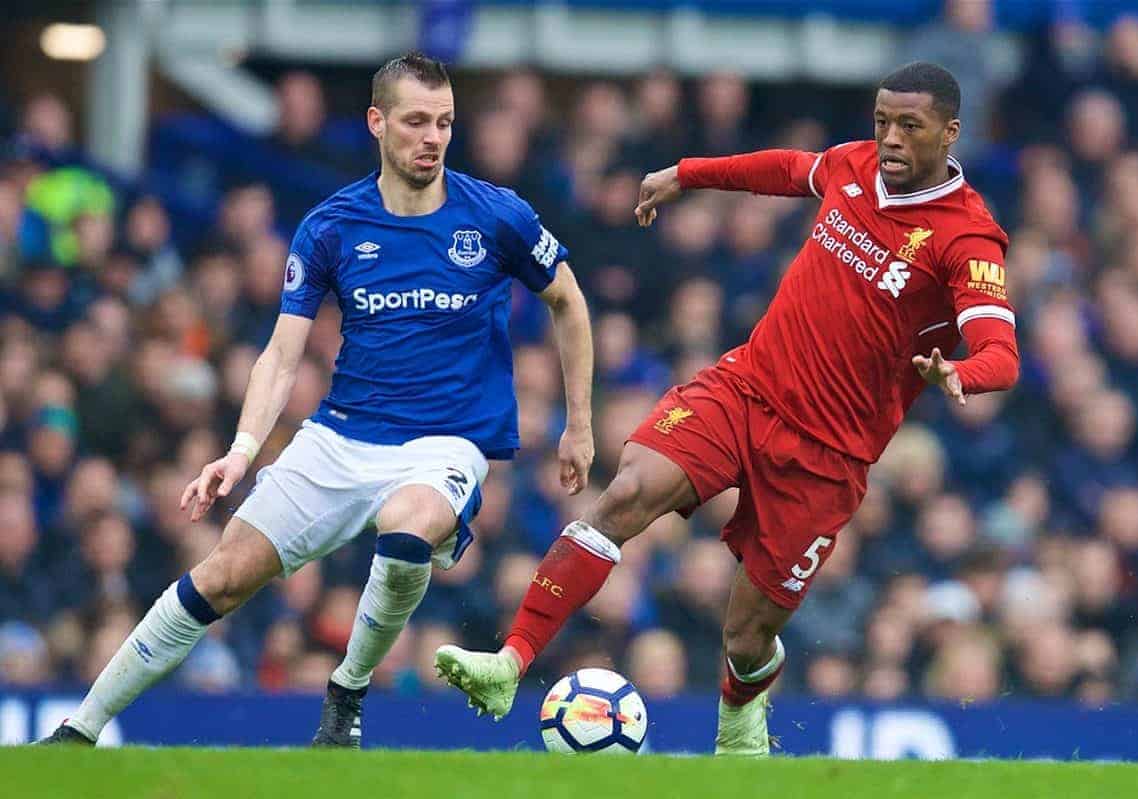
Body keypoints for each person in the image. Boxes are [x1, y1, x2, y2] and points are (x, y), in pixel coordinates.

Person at [435, 62, 1020, 756]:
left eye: (910, 126)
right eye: (882, 121)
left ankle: (744, 713)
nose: (890, 138)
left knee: (746, 632)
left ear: (951, 133)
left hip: (827, 454)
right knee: (626, 494)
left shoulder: (967, 236)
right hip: (747, 389)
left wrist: (960, 372)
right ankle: (511, 661)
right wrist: (688, 172)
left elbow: (1001, 352)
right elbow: (783, 169)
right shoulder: (853, 165)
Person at [39, 52, 594, 748]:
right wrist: (241, 451)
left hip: (446, 442)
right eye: (417, 121)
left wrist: (579, 423)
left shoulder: (496, 215)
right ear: (376, 122)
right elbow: (281, 352)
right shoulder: (333, 224)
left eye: (445, 123)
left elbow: (568, 300)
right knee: (223, 574)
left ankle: (347, 691)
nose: (434, 137)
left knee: (409, 524)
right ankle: (78, 729)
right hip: (340, 436)